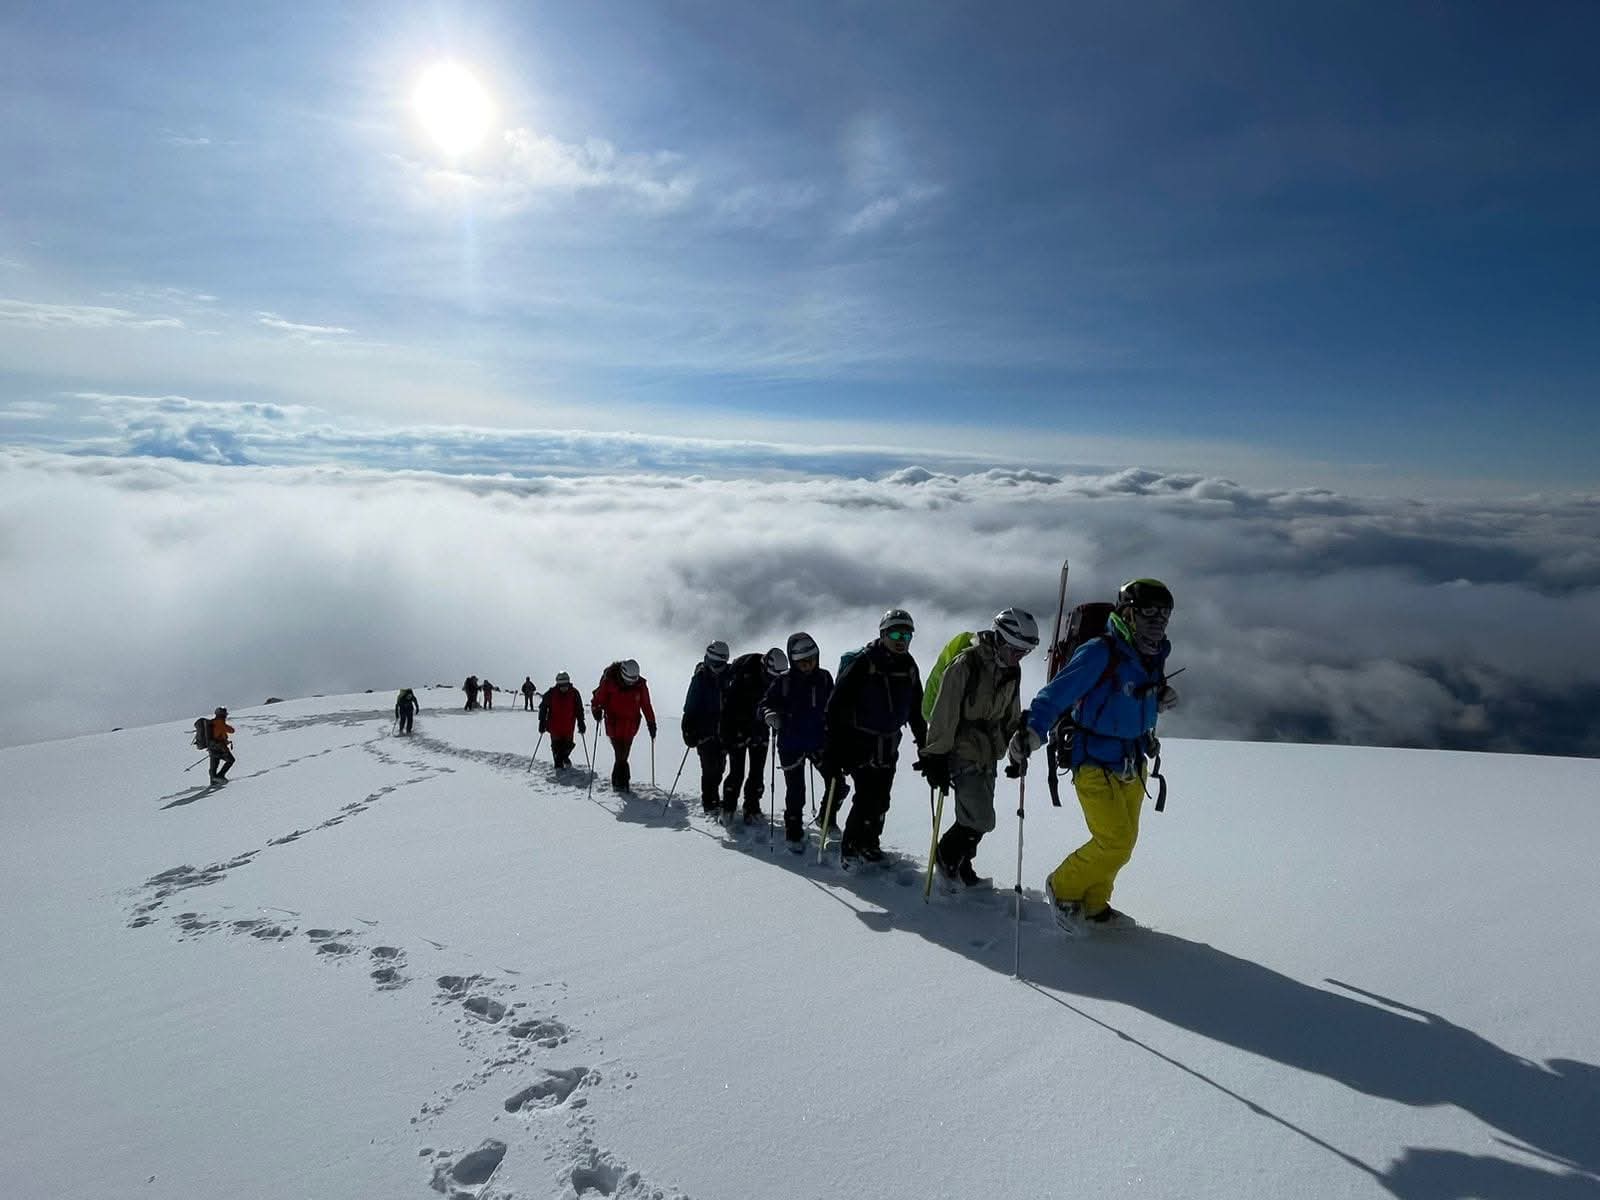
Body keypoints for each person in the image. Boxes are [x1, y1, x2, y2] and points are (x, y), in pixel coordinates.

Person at [1008, 578, 1179, 930]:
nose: (1158, 620)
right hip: (1093, 760)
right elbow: (1055, 695)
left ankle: (1096, 903)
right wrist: (1032, 731)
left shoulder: (1152, 653)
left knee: (1123, 842)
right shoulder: (1100, 651)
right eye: (1148, 611)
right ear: (1128, 613)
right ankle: (1064, 888)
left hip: (1133, 758)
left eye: (1164, 613)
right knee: (1114, 840)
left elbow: (1130, 694)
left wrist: (1160, 697)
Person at [919, 609, 1038, 886]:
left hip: (989, 749)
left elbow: (1010, 713)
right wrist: (935, 755)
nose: (1019, 657)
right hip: (961, 746)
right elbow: (944, 711)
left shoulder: (1011, 670)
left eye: (1024, 652)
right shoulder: (966, 664)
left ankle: (962, 864)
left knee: (975, 814)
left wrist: (1015, 750)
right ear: (1000, 639)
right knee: (981, 818)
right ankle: (946, 856)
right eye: (1015, 649)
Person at [822, 609, 927, 863]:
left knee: (882, 797)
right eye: (895, 632)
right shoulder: (864, 662)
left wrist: (923, 741)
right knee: (867, 796)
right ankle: (851, 846)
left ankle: (870, 843)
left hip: (889, 742)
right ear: (883, 633)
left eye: (906, 634)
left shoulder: (909, 665)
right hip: (860, 741)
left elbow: (916, 706)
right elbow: (835, 706)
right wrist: (835, 750)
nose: (901, 639)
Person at [759, 631, 845, 850]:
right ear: (794, 660)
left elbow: (834, 707)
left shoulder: (824, 678)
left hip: (819, 742)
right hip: (791, 743)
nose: (808, 665)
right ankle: (793, 833)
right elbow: (764, 705)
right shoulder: (783, 681)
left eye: (811, 659)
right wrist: (769, 714)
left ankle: (827, 818)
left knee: (837, 782)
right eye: (802, 661)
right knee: (796, 792)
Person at [719, 647, 787, 825]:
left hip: (760, 729)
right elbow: (728, 708)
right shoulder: (744, 673)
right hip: (737, 729)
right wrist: (728, 734)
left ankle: (752, 807)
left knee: (757, 772)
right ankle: (728, 808)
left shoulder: (776, 679)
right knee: (737, 772)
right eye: (773, 675)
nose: (775, 679)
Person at [591, 659, 657, 791]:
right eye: (628, 680)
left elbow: (646, 704)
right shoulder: (609, 682)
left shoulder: (640, 685)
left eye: (633, 680)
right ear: (622, 674)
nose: (631, 683)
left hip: (631, 726)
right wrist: (597, 710)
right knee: (620, 753)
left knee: (623, 753)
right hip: (614, 724)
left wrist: (651, 722)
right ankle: (622, 782)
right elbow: (598, 699)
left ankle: (618, 782)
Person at [681, 640, 731, 816]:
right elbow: (690, 706)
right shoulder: (700, 679)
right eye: (716, 663)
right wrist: (688, 728)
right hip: (704, 732)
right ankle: (709, 801)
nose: (718, 667)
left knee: (720, 767)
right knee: (709, 767)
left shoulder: (729, 676)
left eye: (722, 663)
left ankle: (713, 797)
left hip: (724, 730)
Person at [539, 671, 587, 768]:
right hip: (554, 726)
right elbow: (543, 708)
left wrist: (581, 722)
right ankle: (559, 765)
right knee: (556, 747)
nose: (564, 688)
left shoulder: (574, 693)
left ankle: (564, 758)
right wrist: (542, 722)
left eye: (565, 685)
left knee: (567, 745)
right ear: (557, 684)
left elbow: (579, 709)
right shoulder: (551, 693)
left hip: (568, 726)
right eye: (561, 685)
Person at [206, 706, 235, 783]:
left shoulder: (211, 723)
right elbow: (231, 730)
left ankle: (213, 781)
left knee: (214, 765)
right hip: (220, 747)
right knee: (231, 760)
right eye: (225, 714)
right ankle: (220, 776)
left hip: (211, 746)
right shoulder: (220, 723)